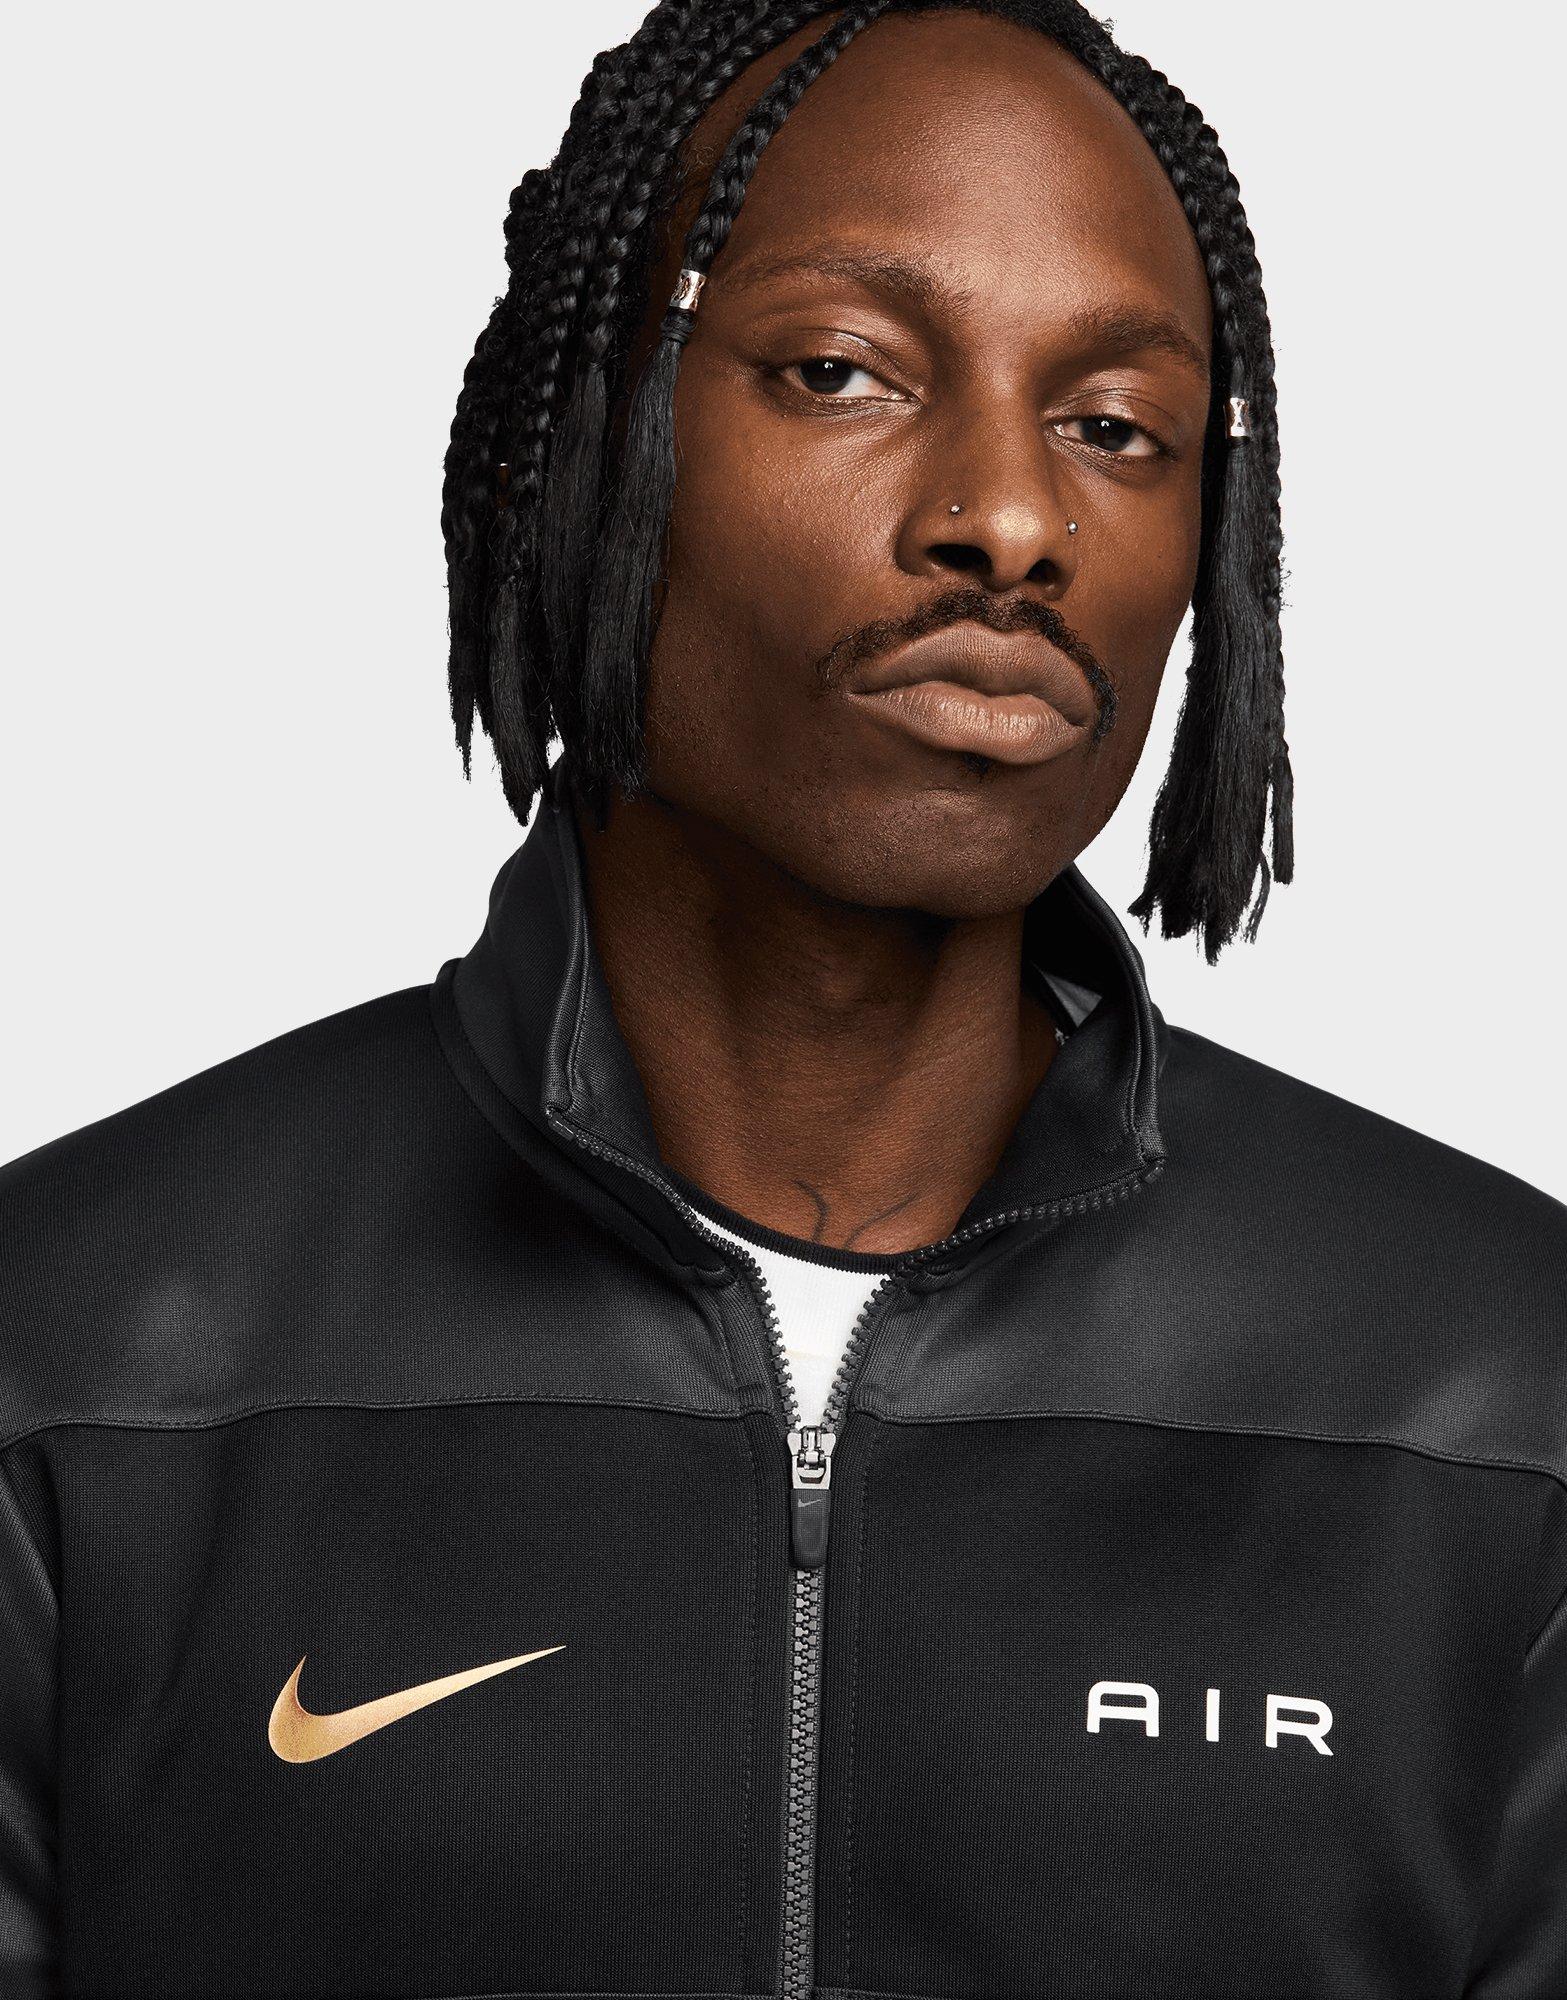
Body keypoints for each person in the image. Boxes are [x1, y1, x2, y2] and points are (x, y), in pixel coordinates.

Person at [2, 1, 1563, 1993]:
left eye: (1115, 426)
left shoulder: (1499, 1392)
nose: (1012, 519)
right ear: (572, 447)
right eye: (840, 371)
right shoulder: (73, 1362)